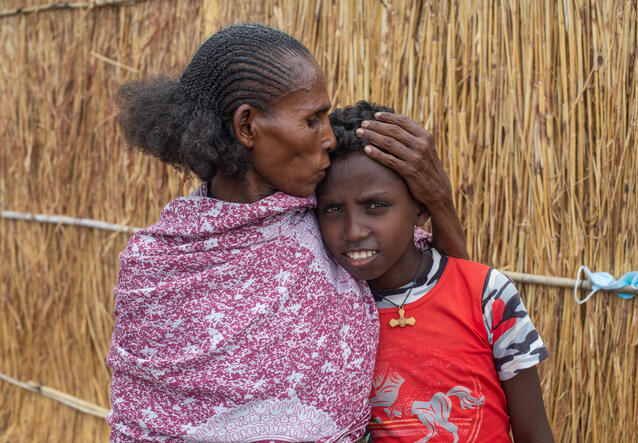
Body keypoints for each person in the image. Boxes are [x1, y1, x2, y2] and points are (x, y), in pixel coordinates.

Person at [108, 25, 467, 442]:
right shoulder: (157, 262)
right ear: (247, 126)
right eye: (312, 120)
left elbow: (452, 293)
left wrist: (439, 200)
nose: (329, 137)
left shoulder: (329, 221)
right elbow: (141, 413)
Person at [317, 101, 554, 442]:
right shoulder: (330, 311)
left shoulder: (488, 293)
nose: (354, 230)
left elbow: (534, 431)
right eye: (333, 209)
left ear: (421, 208)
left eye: (376, 206)